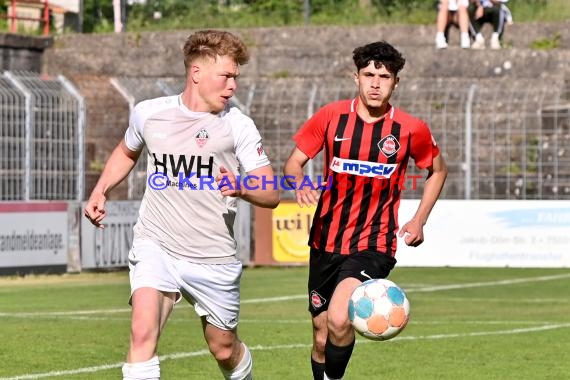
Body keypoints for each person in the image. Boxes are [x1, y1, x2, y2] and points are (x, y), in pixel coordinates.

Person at [84, 29, 279, 380]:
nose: (233, 85)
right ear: (196, 73)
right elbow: (127, 150)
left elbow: (271, 192)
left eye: (236, 77)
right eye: (227, 76)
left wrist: (241, 187)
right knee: (142, 332)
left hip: (213, 257)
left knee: (223, 349)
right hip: (156, 242)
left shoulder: (238, 126)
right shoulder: (149, 114)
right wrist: (101, 189)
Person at [283, 41, 447, 380]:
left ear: (395, 83)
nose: (375, 83)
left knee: (340, 318)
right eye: (368, 75)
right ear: (355, 77)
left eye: (384, 76)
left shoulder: (409, 129)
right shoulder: (330, 117)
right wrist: (298, 182)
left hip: (373, 244)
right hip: (326, 241)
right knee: (320, 333)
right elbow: (293, 164)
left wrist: (419, 219)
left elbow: (438, 170)